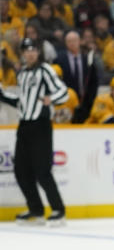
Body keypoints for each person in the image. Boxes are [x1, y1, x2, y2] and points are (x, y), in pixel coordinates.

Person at [0, 37, 68, 225]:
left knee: (42, 170)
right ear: (22, 53)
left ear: (38, 52)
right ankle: (36, 209)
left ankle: (58, 210)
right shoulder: (22, 74)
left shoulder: (45, 70)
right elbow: (22, 101)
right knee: (21, 171)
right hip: (25, 126)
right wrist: (2, 94)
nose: (30, 53)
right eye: (26, 50)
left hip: (41, 125)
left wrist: (51, 98)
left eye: (33, 50)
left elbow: (64, 92)